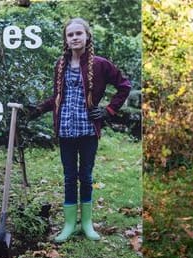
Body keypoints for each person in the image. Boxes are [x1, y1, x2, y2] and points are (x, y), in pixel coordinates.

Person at [31, 18, 131, 242]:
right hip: (65, 128)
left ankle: (86, 223)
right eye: (70, 35)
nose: (74, 38)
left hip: (88, 129)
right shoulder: (61, 64)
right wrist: (37, 109)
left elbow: (124, 86)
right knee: (69, 177)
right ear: (66, 40)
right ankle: (69, 224)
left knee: (85, 176)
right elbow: (58, 98)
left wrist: (109, 110)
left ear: (87, 36)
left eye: (78, 34)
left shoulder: (100, 64)